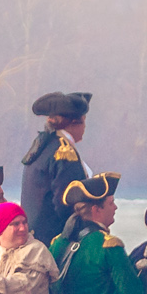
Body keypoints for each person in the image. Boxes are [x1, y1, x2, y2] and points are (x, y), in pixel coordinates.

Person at [47, 172, 147, 294]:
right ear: (96, 210)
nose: (115, 207)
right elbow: (131, 293)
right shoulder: (108, 245)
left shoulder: (57, 243)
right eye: (111, 203)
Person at [21, 92, 92, 247]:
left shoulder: (43, 144)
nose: (85, 127)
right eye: (84, 121)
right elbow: (67, 202)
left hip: (33, 237)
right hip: (53, 240)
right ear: (74, 123)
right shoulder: (64, 152)